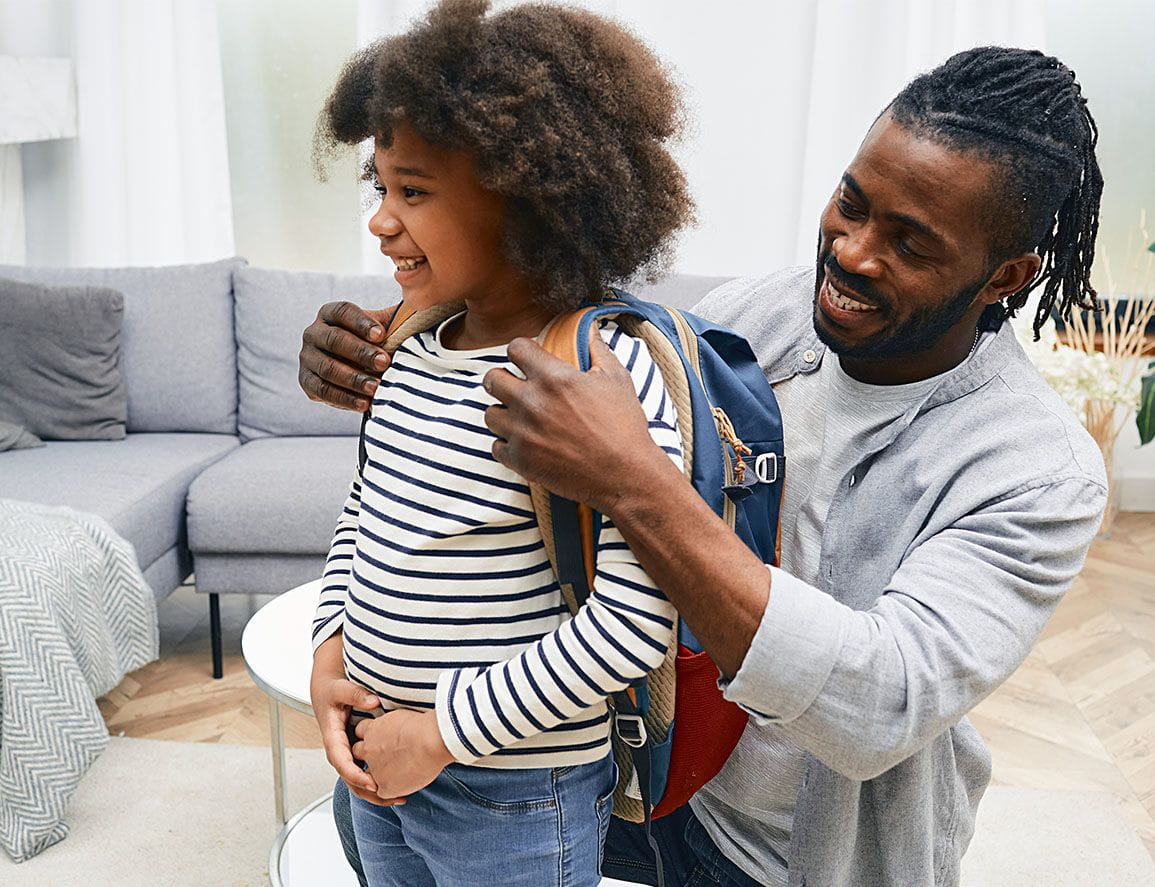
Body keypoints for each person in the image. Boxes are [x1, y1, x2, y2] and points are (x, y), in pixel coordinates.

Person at [301, 45, 1109, 887]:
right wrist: (389, 332)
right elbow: (551, 330)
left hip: (787, 853)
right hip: (639, 785)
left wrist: (634, 482)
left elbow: (877, 704)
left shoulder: (1036, 473)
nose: (853, 253)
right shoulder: (751, 318)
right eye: (850, 203)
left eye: (909, 243)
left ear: (1006, 276)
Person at [307, 1, 697, 885]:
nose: (379, 219)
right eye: (379, 186)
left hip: (514, 795)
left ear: (527, 201)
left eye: (413, 190)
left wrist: (439, 732)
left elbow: (634, 628)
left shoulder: (605, 377)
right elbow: (367, 515)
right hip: (375, 766)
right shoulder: (408, 347)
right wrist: (331, 652)